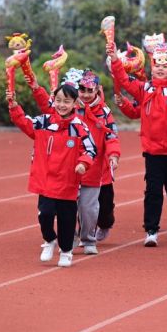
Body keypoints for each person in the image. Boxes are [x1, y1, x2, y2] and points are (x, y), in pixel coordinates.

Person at [27, 69, 121, 255]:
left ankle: (88, 239)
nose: (86, 94)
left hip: (92, 170)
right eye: (82, 90)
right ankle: (68, 239)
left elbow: (111, 137)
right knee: (66, 208)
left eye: (89, 90)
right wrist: (36, 87)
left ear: (97, 90)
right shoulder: (70, 106)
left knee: (89, 209)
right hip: (68, 169)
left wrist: (113, 155)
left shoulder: (104, 112)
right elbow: (48, 105)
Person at [107, 42, 167, 246]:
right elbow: (124, 81)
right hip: (152, 152)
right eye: (157, 65)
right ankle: (151, 230)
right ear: (152, 66)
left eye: (165, 65)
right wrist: (115, 60)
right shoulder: (145, 89)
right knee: (152, 191)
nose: (160, 68)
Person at [7, 84, 97, 267]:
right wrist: (13, 105)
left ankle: (66, 251)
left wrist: (83, 163)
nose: (61, 105)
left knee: (67, 220)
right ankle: (49, 240)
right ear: (53, 100)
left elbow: (91, 149)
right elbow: (25, 122)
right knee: (45, 215)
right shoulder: (44, 122)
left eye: (66, 101)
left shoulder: (79, 127)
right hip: (46, 180)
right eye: (58, 100)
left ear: (74, 103)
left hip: (68, 182)